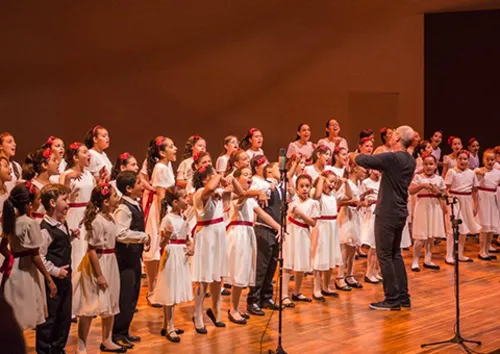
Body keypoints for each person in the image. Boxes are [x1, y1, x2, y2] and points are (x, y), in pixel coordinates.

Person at [355, 125, 416, 311]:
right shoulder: (411, 161)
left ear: (397, 137)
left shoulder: (392, 157)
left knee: (384, 256)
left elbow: (364, 160)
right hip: (399, 211)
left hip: (387, 212)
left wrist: (356, 155)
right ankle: (403, 297)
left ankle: (392, 298)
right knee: (395, 254)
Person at [112, 171, 151, 348]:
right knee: (125, 296)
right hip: (125, 259)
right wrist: (142, 237)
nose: (142, 186)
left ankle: (124, 330)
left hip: (134, 256)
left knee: (133, 295)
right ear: (128, 189)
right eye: (138, 183)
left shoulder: (134, 204)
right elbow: (120, 233)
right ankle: (116, 333)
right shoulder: (124, 208)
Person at [36, 184, 73, 354]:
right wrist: (56, 272)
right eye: (64, 199)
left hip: (65, 279)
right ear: (52, 203)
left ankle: (58, 348)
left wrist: (71, 235)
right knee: (50, 318)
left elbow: (59, 246)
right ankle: (44, 350)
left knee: (64, 316)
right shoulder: (45, 229)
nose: (68, 203)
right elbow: (41, 257)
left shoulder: (62, 224)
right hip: (52, 281)